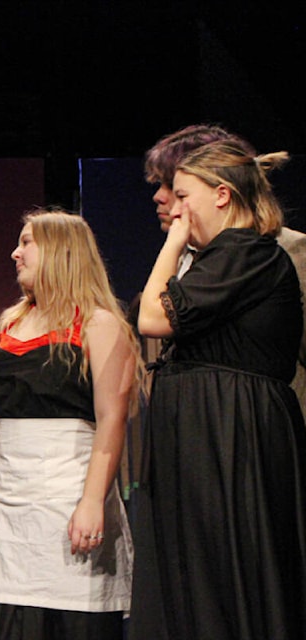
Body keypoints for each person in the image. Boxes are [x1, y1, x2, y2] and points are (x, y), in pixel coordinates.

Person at [131, 140, 306, 639]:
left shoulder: (245, 253)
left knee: (226, 575)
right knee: (195, 576)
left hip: (231, 435)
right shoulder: (222, 258)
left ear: (223, 195)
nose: (176, 209)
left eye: (185, 196)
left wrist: (173, 241)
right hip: (207, 433)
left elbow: (151, 317)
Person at [0, 208, 141, 639]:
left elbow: (111, 420)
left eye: (26, 243)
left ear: (61, 252)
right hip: (10, 507)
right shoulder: (12, 322)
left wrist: (92, 501)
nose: (14, 253)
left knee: (70, 617)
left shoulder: (99, 324)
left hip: (69, 493)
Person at [142, 124, 306, 405]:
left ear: (221, 190)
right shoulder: (184, 256)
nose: (160, 196)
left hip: (251, 418)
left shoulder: (282, 248)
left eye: (175, 189)